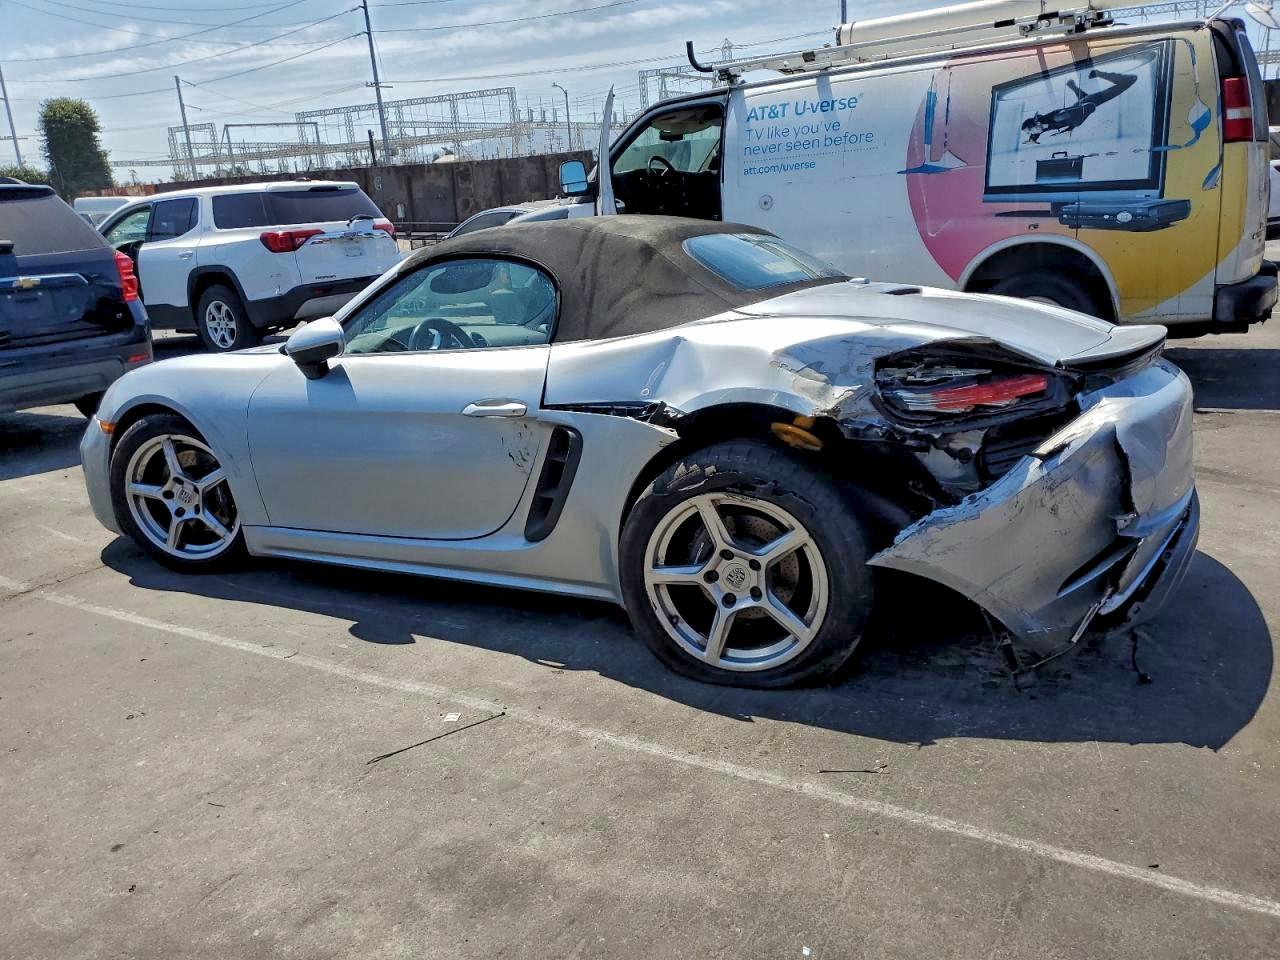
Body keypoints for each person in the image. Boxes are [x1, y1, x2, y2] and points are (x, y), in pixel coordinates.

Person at [1021, 68, 1139, 144]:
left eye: (1030, 131)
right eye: (1029, 133)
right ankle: (1072, 86)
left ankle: (1100, 73)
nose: (1032, 134)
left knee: (1129, 81)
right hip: (1079, 105)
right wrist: (1033, 139)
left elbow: (1090, 107)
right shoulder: (1043, 124)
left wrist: (1074, 126)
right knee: (1081, 100)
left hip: (1093, 101)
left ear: (1036, 123)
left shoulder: (1059, 117)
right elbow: (1039, 131)